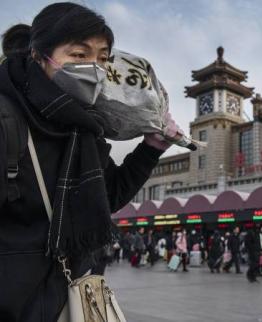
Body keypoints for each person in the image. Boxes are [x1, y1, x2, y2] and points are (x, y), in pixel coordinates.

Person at [0, 3, 182, 320]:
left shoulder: (85, 128)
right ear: (39, 55)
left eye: (102, 58)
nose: (93, 68)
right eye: (79, 55)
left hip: (75, 297)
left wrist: (151, 147)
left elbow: (107, 196)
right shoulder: (7, 118)